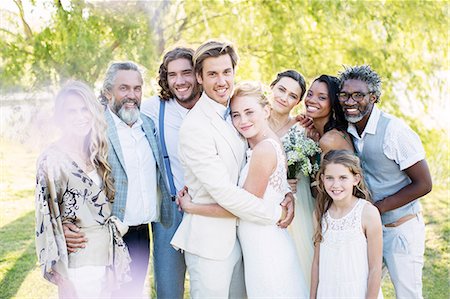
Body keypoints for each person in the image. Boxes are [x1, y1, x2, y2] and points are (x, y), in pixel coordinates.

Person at [170, 40, 294, 298]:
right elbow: (224, 191)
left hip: (243, 241)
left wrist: (284, 191)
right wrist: (273, 212)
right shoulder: (195, 127)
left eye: (227, 72)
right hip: (210, 245)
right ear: (199, 78)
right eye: (212, 74)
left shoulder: (235, 112)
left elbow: (261, 156)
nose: (221, 81)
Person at [63, 62, 173, 298]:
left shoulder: (148, 125)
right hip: (104, 235)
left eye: (137, 88)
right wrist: (63, 222)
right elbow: (67, 179)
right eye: (124, 88)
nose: (132, 95)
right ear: (107, 92)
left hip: (141, 235)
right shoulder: (94, 128)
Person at [338, 65, 432, 298]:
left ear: (374, 97)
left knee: (407, 294)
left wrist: (376, 209)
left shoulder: (395, 131)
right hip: (368, 231)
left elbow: (424, 184)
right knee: (359, 290)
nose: (350, 101)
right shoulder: (348, 128)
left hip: (400, 229)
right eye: (345, 95)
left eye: (358, 95)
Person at [35, 81, 131, 298]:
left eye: (84, 109)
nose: (80, 116)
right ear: (60, 117)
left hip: (106, 259)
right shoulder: (52, 159)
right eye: (71, 111)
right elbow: (45, 220)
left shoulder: (97, 153)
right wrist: (62, 276)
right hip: (77, 264)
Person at [141, 47, 201, 299]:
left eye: (186, 73)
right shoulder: (154, 108)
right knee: (167, 289)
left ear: (198, 74)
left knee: (209, 285)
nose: (180, 81)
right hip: (170, 210)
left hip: (209, 210)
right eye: (172, 74)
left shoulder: (219, 107)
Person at [310, 150, 383, 299]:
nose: (336, 185)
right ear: (322, 179)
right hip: (328, 292)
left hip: (357, 292)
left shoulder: (368, 213)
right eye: (330, 178)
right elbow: (317, 263)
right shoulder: (320, 214)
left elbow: (375, 268)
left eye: (343, 177)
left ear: (356, 179)